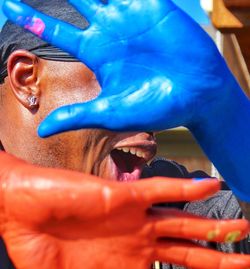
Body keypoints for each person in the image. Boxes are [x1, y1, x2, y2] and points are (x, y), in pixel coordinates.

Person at [1, 0, 250, 269]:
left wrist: (227, 115)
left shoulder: (171, 207)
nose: (149, 118)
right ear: (28, 79)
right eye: (124, 81)